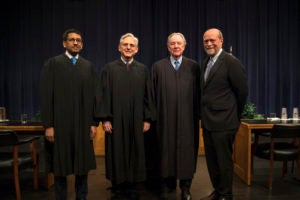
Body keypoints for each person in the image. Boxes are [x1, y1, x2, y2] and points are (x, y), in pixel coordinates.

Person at [40, 28, 99, 200]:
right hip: (60, 124)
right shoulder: (53, 64)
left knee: (82, 167)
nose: (75, 42)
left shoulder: (88, 67)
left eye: (78, 40)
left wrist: (93, 123)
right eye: (72, 40)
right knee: (60, 167)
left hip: (82, 125)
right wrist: (49, 125)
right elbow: (46, 96)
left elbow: (95, 98)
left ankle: (82, 197)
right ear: (64, 43)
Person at [97, 33, 155, 199]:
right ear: (119, 47)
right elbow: (103, 95)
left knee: (135, 150)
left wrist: (147, 118)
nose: (128, 47)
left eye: (131, 45)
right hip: (115, 119)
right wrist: (105, 118)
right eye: (125, 45)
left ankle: (132, 184)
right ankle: (117, 185)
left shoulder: (143, 69)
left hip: (137, 119)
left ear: (136, 49)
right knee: (117, 150)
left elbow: (148, 96)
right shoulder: (109, 69)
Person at [199, 28, 248, 200]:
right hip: (208, 122)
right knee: (212, 162)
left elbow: (242, 92)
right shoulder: (206, 62)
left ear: (221, 41)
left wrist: (234, 116)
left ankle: (226, 195)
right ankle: (218, 191)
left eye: (212, 40)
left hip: (225, 122)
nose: (209, 43)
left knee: (224, 161)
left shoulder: (231, 62)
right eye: (206, 41)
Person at [151, 32, 200, 200]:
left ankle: (186, 187)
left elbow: (199, 94)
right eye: (172, 43)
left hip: (188, 120)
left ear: (184, 46)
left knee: (187, 152)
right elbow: (152, 95)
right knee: (166, 150)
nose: (176, 46)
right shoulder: (158, 67)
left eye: (179, 43)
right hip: (165, 120)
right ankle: (167, 184)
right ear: (168, 46)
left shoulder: (194, 67)